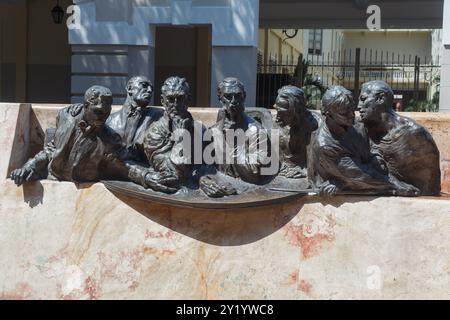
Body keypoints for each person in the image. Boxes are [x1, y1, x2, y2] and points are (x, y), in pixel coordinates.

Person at [10, 85, 174, 193]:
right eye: (98, 112)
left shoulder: (110, 138)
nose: (103, 117)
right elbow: (51, 149)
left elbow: (127, 165)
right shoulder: (66, 117)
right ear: (85, 106)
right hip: (53, 184)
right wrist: (29, 167)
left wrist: (146, 177)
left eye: (107, 112)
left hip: (85, 191)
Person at [307, 85, 419, 197]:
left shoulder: (355, 124)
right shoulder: (325, 146)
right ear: (328, 114)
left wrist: (376, 157)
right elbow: (359, 174)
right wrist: (396, 185)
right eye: (344, 113)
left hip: (359, 176)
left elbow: (371, 145)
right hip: (353, 178)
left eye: (352, 109)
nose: (352, 115)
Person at [358, 80, 441, 196]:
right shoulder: (361, 130)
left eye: (363, 99)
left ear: (381, 99)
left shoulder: (414, 135)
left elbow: (430, 189)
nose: (358, 106)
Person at [107, 76, 163, 161]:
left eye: (152, 88)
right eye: (144, 85)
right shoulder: (109, 120)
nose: (150, 90)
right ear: (129, 88)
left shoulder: (158, 116)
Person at [273, 85, 319, 179]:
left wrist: (306, 171)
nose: (277, 117)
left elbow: (324, 164)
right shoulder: (278, 125)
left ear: (296, 112)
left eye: (282, 113)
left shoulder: (315, 127)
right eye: (277, 110)